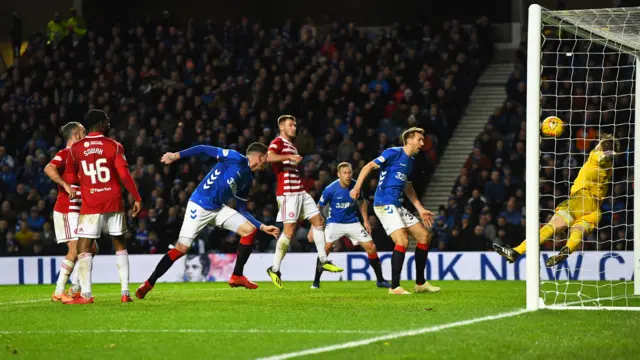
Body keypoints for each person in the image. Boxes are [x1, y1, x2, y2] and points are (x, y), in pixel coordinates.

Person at [135, 142, 280, 298]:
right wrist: (175, 155)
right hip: (199, 205)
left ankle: (237, 276)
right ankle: (149, 283)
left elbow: (241, 209)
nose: (267, 163)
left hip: (218, 208)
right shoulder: (235, 158)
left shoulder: (247, 178)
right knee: (180, 250)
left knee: (250, 231)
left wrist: (262, 226)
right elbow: (202, 148)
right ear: (259, 157)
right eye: (266, 158)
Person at [494, 134, 620, 267]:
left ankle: (517, 251)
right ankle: (567, 250)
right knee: (577, 232)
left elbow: (600, 157)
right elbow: (604, 161)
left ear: (601, 146)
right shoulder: (609, 168)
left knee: (550, 227)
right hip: (595, 210)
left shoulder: (595, 155)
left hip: (581, 200)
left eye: (598, 143)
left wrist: (604, 154)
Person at [63, 109, 142, 304]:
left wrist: (83, 180)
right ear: (100, 123)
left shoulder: (76, 149)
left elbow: (70, 177)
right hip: (113, 200)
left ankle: (86, 295)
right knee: (119, 243)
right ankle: (125, 293)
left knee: (84, 246)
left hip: (91, 203)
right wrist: (137, 197)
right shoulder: (114, 146)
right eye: (106, 120)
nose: (109, 123)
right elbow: (124, 175)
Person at [350, 127, 440, 295]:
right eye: (419, 139)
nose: (422, 143)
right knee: (402, 241)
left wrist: (420, 209)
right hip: (384, 203)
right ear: (409, 140)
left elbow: (407, 185)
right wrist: (356, 188)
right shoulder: (393, 152)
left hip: (396, 205)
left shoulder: (411, 161)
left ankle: (420, 283)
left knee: (424, 236)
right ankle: (395, 287)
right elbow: (368, 166)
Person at [266, 115, 343, 289]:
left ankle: (323, 260)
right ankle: (274, 268)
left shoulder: (292, 146)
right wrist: (290, 157)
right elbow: (269, 157)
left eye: (295, 124)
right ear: (282, 127)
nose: (294, 127)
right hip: (287, 193)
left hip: (300, 191)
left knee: (318, 221)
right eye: (290, 125)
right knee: (289, 231)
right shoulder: (278, 142)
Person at [309, 162, 390, 289]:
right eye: (344, 173)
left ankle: (380, 280)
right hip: (334, 223)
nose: (347, 176)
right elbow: (318, 207)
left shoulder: (355, 185)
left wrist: (366, 220)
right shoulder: (330, 189)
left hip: (353, 222)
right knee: (326, 249)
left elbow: (362, 202)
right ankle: (316, 282)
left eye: (349, 173)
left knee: (371, 247)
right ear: (338, 174)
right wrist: (312, 227)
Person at [44, 121, 97, 301]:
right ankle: (59, 291)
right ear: (76, 136)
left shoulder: (81, 157)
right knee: (75, 249)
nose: (87, 135)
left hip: (80, 210)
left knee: (92, 247)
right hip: (67, 209)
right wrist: (64, 184)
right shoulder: (65, 154)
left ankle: (75, 287)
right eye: (84, 132)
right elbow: (48, 168)